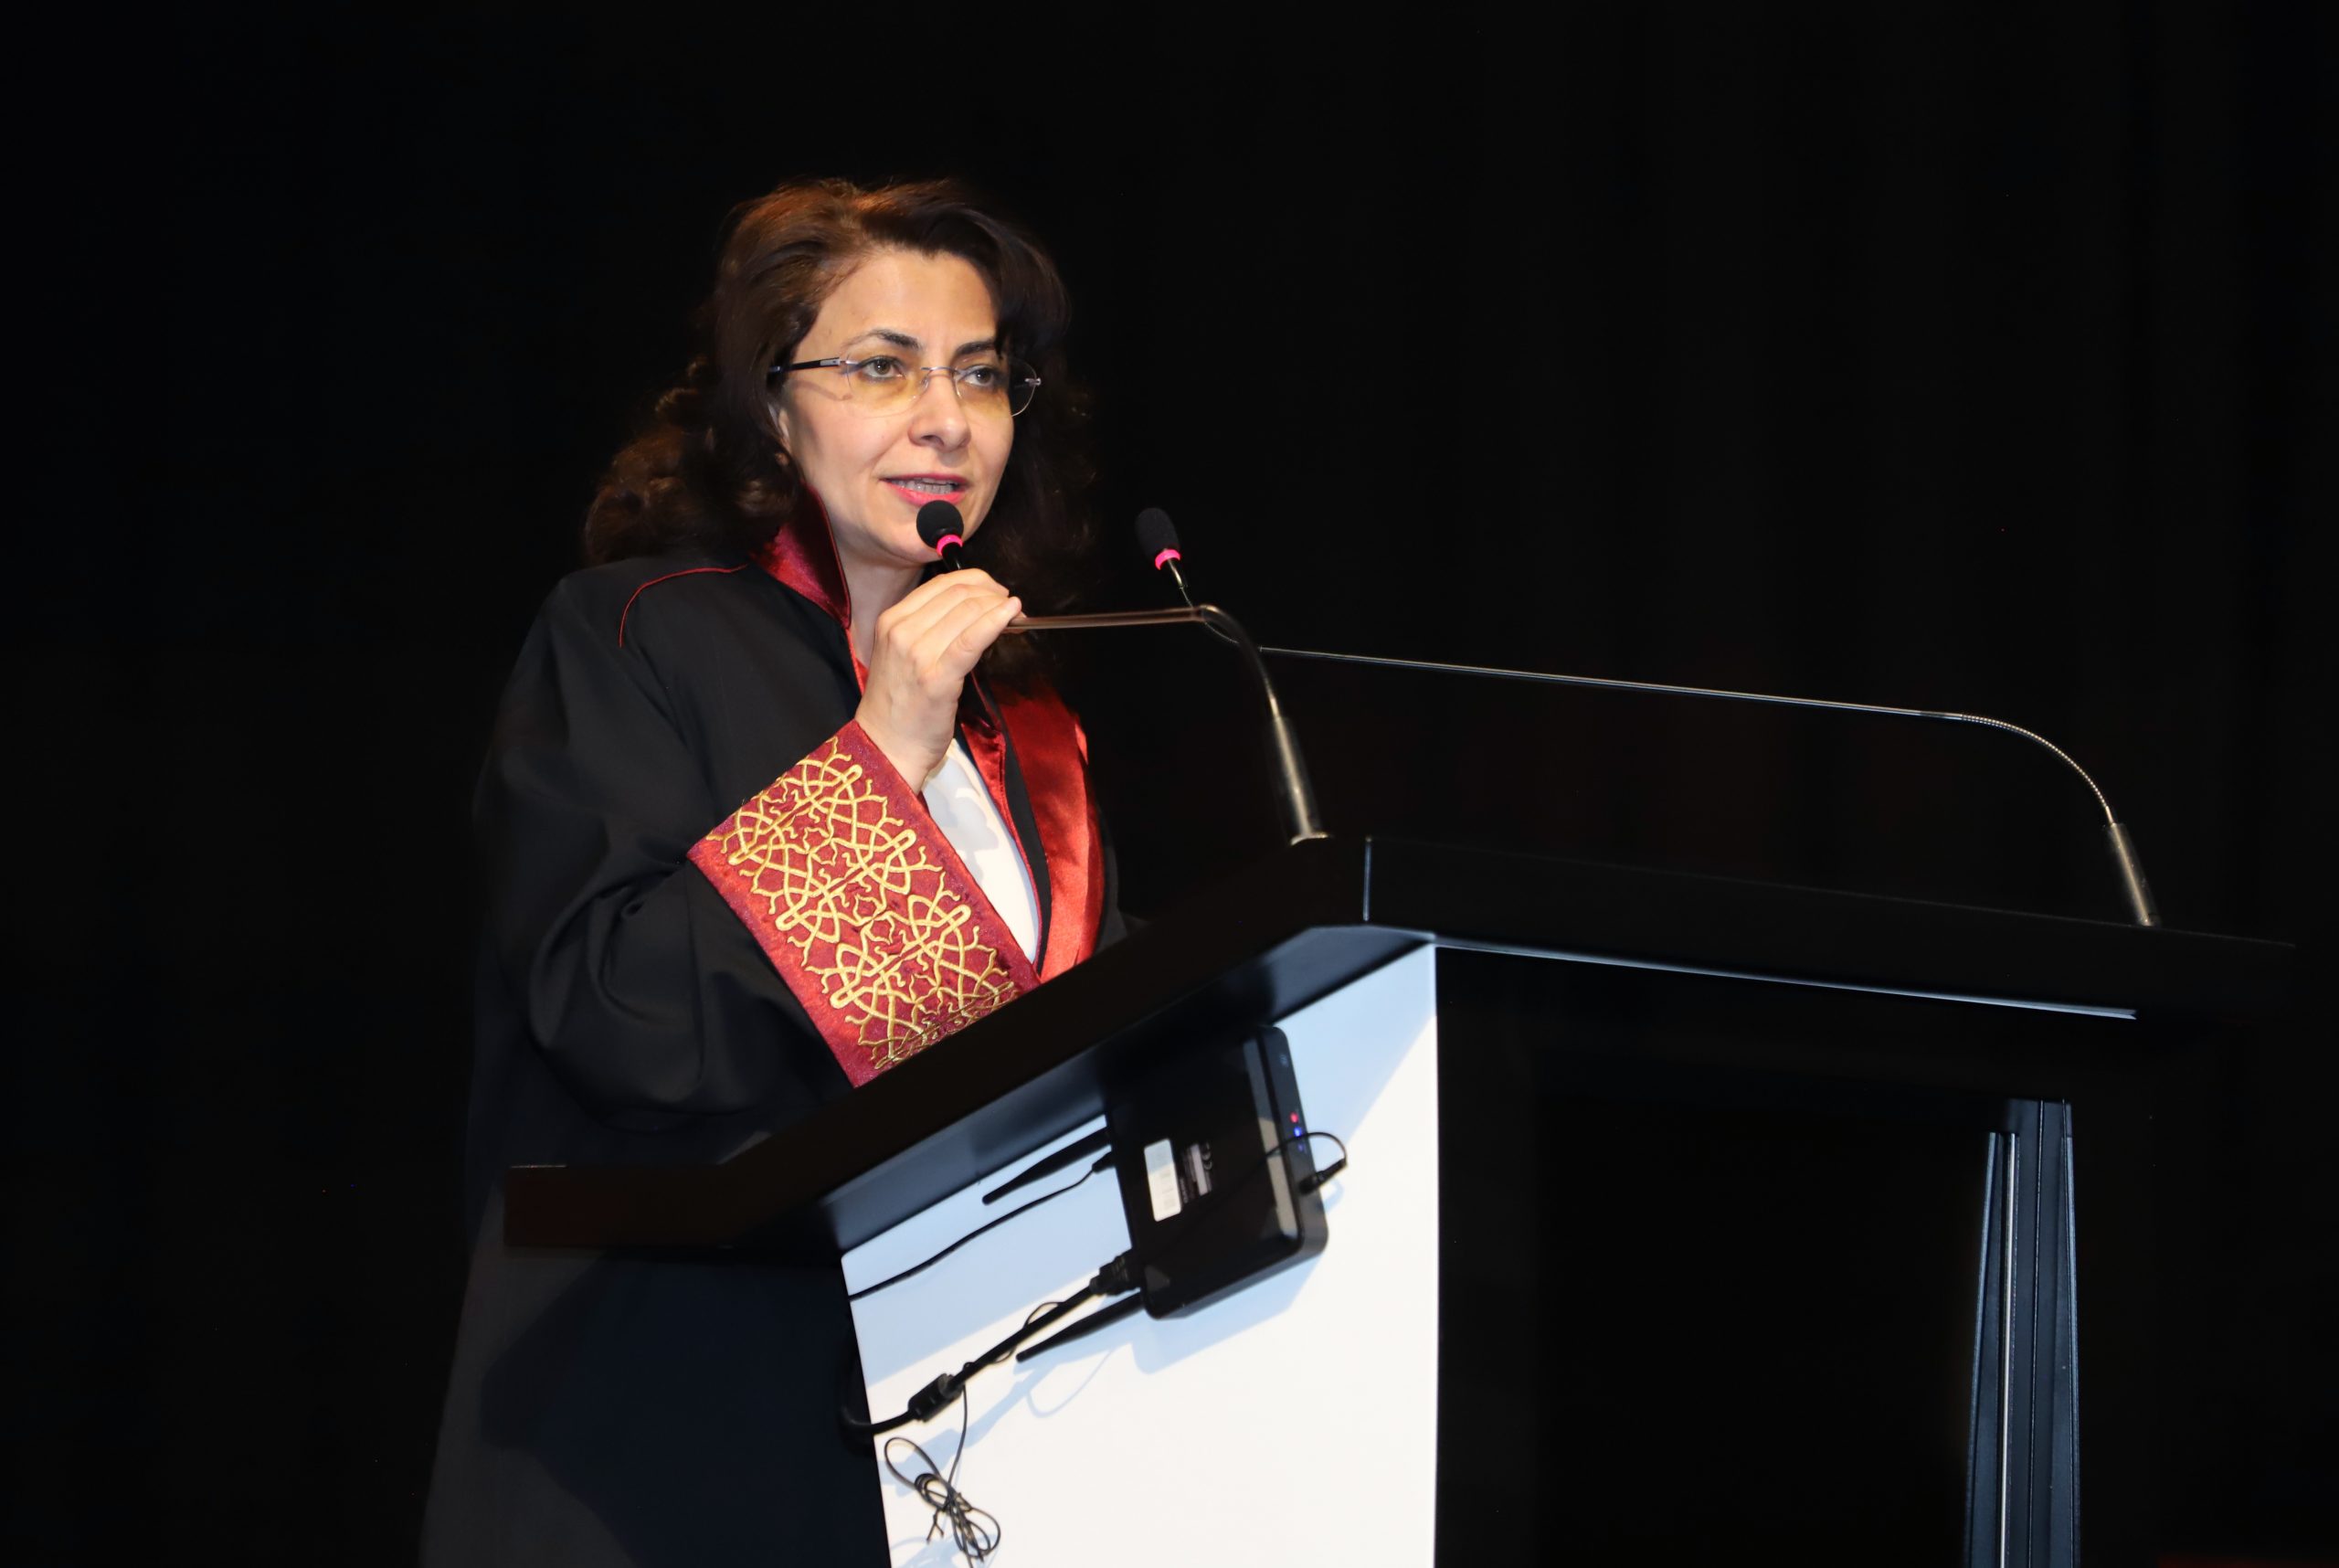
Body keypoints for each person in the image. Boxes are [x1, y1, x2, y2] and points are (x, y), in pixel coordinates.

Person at [420, 177, 1124, 1567]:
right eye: (883, 368)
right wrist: (882, 753)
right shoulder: (636, 634)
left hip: (973, 1441)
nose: (946, 417)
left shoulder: (1028, 726)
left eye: (982, 375)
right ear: (772, 407)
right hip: (664, 1445)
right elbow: (620, 1012)